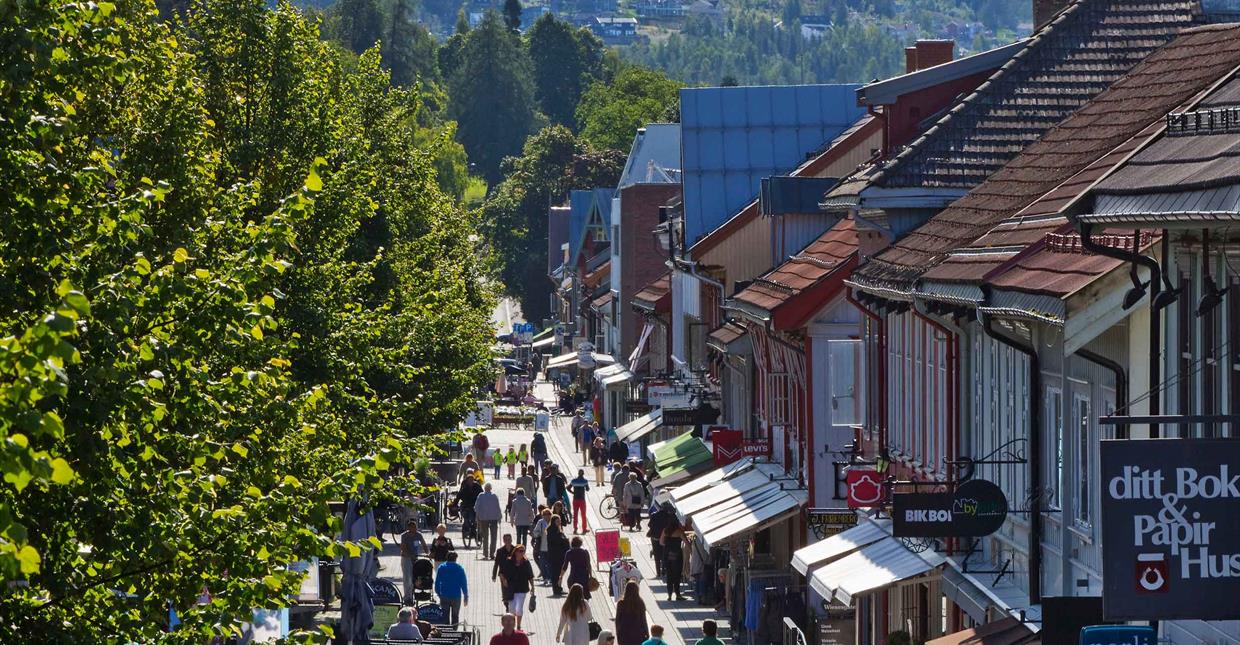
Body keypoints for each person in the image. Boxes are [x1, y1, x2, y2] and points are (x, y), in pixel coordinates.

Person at [502, 545, 536, 630]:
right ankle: (511, 626)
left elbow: (530, 575)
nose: (522, 553)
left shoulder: (526, 562)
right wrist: (504, 580)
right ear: (516, 552)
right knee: (511, 608)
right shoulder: (509, 561)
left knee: (519, 608)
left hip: (522, 589)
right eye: (520, 551)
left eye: (523, 551)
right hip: (511, 589)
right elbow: (502, 573)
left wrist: (533, 586)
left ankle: (518, 626)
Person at [434, 551, 468, 625]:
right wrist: (466, 596)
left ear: (447, 558)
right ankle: (454, 631)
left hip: (444, 595)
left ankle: (446, 631)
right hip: (456, 596)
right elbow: (463, 583)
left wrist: (439, 593)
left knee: (445, 616)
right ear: (456, 559)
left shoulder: (441, 568)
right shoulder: (460, 569)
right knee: (455, 616)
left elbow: (437, 583)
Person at [399, 519, 429, 600]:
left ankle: (412, 594)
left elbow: (424, 544)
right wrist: (410, 555)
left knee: (414, 577)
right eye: (413, 527)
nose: (415, 529)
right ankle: (407, 596)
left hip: (415, 557)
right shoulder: (404, 536)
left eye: (416, 527)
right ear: (409, 528)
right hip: (406, 558)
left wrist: (427, 553)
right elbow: (403, 547)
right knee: (407, 578)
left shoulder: (418, 535)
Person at [615, 580, 649, 645]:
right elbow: (643, 619)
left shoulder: (621, 603)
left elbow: (617, 619)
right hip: (638, 633)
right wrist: (647, 633)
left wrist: (618, 632)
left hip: (624, 633)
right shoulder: (640, 603)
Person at [560, 535, 593, 599]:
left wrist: (561, 577)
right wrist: (591, 576)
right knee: (584, 595)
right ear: (580, 544)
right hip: (584, 577)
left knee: (573, 596)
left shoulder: (569, 553)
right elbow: (588, 565)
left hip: (573, 576)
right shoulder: (585, 552)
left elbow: (565, 566)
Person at [646, 503, 674, 577]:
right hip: (665, 538)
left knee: (656, 555)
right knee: (664, 554)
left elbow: (649, 525)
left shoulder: (654, 515)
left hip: (655, 537)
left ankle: (658, 572)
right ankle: (664, 571)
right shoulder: (668, 516)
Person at [475, 482, 503, 557]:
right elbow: (498, 507)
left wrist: (477, 516)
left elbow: (476, 507)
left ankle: (485, 553)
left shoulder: (481, 496)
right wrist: (500, 517)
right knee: (494, 536)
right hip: (494, 519)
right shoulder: (494, 496)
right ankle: (492, 553)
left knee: (485, 536)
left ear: (484, 489)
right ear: (491, 489)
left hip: (483, 519)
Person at [661, 521, 686, 601]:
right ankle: (678, 594)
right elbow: (686, 542)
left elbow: (661, 542)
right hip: (677, 556)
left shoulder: (665, 530)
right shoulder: (679, 532)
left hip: (667, 555)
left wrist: (668, 545)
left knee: (669, 575)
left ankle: (669, 595)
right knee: (677, 575)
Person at [546, 515, 569, 596]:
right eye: (557, 521)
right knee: (555, 573)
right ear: (553, 522)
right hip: (554, 556)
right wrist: (565, 540)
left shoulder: (558, 529)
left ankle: (559, 588)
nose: (559, 522)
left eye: (559, 521)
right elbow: (557, 541)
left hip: (560, 555)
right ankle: (556, 589)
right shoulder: (551, 530)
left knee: (559, 572)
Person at [456, 475, 483, 546]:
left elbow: (482, 494)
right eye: (469, 480)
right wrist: (454, 504)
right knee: (467, 518)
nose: (471, 482)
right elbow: (459, 496)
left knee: (475, 520)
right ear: (467, 481)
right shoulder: (465, 488)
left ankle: (477, 534)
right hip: (466, 506)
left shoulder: (477, 486)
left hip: (475, 506)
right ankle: (466, 530)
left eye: (472, 480)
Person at [493, 533, 517, 608]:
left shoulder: (515, 550)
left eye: (509, 539)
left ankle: (511, 605)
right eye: (506, 540)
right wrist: (494, 575)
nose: (508, 541)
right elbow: (496, 563)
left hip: (513, 574)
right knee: (505, 590)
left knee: (513, 590)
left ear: (511, 540)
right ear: (503, 541)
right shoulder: (500, 551)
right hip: (503, 574)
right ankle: (507, 606)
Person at [531, 507, 552, 581]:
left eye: (548, 514)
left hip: (551, 547)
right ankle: (545, 576)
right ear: (543, 515)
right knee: (542, 563)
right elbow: (535, 532)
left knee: (550, 563)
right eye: (545, 514)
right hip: (542, 546)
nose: (547, 516)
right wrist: (540, 533)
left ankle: (549, 577)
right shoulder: (540, 522)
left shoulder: (553, 521)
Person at [569, 469, 590, 534]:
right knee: (583, 514)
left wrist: (573, 492)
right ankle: (584, 529)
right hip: (582, 499)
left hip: (575, 499)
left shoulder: (573, 481)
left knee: (575, 514)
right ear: (583, 474)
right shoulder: (585, 481)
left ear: (578, 473)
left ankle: (575, 528)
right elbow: (587, 489)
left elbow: (568, 488)